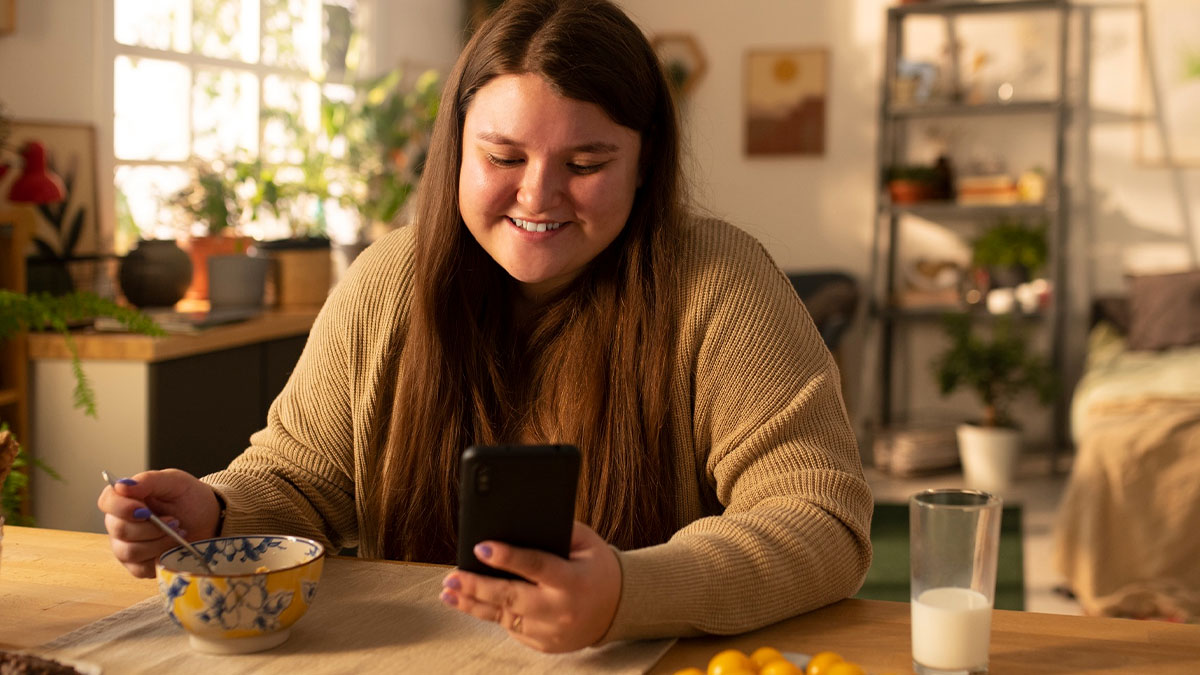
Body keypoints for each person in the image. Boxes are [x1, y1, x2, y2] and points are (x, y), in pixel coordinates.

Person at [97, 0, 873, 654]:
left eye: (587, 162)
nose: (538, 196)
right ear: (456, 151)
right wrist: (213, 510)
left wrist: (631, 591)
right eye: (502, 154)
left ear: (645, 163)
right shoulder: (386, 281)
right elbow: (302, 478)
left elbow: (821, 520)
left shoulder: (720, 281)